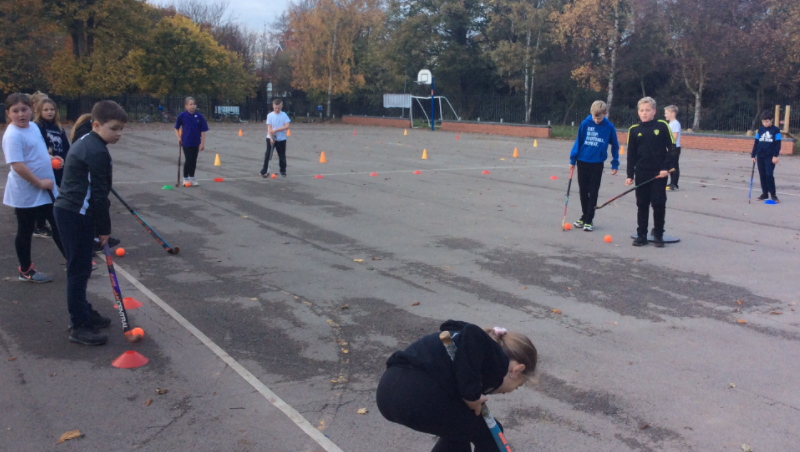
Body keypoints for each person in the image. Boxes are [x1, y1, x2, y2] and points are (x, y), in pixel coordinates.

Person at [376, 320, 537, 452]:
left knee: (458, 434)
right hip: (414, 393)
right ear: (516, 370)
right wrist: (471, 395)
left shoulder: (474, 355)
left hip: (387, 390)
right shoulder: (498, 362)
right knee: (490, 434)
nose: (510, 391)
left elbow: (449, 325)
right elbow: (472, 333)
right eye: (517, 386)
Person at [54, 100, 128, 346]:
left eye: (121, 129)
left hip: (73, 212)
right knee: (78, 270)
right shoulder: (95, 151)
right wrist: (104, 230)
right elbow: (98, 195)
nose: (119, 134)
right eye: (114, 128)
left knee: (82, 268)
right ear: (96, 125)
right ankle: (79, 324)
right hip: (75, 214)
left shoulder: (89, 141)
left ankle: (83, 311)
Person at [2, 93, 67, 283]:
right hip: (26, 192)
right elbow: (17, 165)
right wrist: (39, 183)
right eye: (15, 111)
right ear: (8, 113)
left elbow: (39, 151)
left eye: (24, 110)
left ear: (31, 109)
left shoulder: (33, 127)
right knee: (26, 229)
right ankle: (25, 270)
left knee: (57, 222)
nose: (21, 114)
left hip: (45, 188)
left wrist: (52, 159)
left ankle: (72, 260)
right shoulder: (12, 135)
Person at [626, 97, 675, 248]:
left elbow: (672, 148)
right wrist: (629, 175)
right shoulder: (634, 130)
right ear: (638, 112)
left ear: (654, 111)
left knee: (658, 203)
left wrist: (666, 168)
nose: (644, 113)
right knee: (642, 204)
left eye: (648, 110)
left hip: (659, 173)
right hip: (641, 173)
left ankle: (658, 234)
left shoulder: (662, 126)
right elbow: (631, 155)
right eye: (642, 110)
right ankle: (641, 235)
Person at [569, 100, 620, 231]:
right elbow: (578, 141)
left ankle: (589, 219)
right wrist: (573, 159)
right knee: (583, 191)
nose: (597, 120)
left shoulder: (609, 127)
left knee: (593, 191)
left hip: (597, 163)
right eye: (594, 118)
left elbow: (615, 146)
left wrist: (615, 163)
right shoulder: (585, 123)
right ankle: (584, 215)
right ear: (591, 113)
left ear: (605, 114)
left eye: (599, 118)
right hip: (582, 161)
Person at [174, 96, 208, 187]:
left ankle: (192, 177)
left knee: (193, 160)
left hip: (196, 142)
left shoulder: (199, 116)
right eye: (191, 104)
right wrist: (178, 137)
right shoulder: (182, 116)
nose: (193, 106)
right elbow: (176, 128)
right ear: (186, 106)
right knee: (188, 160)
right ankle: (185, 178)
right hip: (186, 142)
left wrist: (202, 143)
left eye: (194, 104)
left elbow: (203, 130)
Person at [751, 110, 781, 203]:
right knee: (762, 175)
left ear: (772, 120)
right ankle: (764, 193)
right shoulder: (760, 130)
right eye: (763, 122)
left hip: (770, 156)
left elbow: (778, 144)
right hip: (760, 156)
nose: (765, 123)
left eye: (767, 121)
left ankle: (773, 194)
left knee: (769, 175)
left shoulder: (776, 130)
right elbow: (756, 143)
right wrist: (753, 155)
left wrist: (775, 155)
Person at [261, 99, 291, 178]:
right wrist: (271, 138)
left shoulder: (284, 115)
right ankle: (264, 170)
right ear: (273, 106)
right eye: (275, 108)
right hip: (270, 138)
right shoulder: (270, 115)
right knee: (268, 154)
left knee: (282, 155)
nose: (277, 110)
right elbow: (269, 128)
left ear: (282, 107)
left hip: (281, 139)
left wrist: (276, 130)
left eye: (279, 108)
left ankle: (283, 170)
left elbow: (287, 126)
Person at [664, 105, 682, 191]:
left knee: (673, 165)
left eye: (667, 113)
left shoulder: (675, 123)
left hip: (674, 147)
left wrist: (669, 145)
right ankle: (672, 182)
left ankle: (674, 184)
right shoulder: (670, 123)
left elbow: (675, 136)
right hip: (672, 147)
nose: (665, 115)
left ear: (673, 114)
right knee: (671, 165)